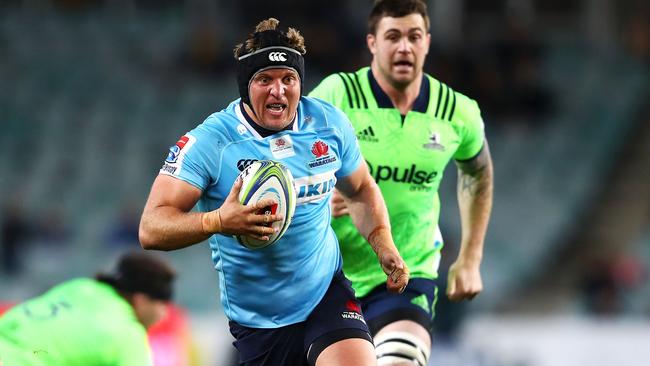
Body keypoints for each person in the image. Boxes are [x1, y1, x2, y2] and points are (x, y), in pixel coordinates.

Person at [138, 18, 410, 366]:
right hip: (258, 320)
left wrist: (382, 242)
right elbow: (151, 228)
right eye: (264, 79)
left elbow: (360, 188)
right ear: (245, 87)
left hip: (325, 293)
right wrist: (219, 220)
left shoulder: (328, 124)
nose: (278, 91)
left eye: (288, 79)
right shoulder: (211, 141)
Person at [308, 1, 494, 365]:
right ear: (372, 43)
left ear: (427, 43)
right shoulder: (337, 95)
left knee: (401, 359)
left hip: (407, 273)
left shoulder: (457, 111)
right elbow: (289, 157)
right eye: (392, 36)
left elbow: (478, 173)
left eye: (414, 36)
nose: (404, 46)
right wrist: (318, 191)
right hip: (328, 275)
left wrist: (470, 259)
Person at [0, 251, 175, 366]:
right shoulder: (129, 334)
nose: (164, 315)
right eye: (162, 305)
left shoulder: (78, 286)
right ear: (141, 300)